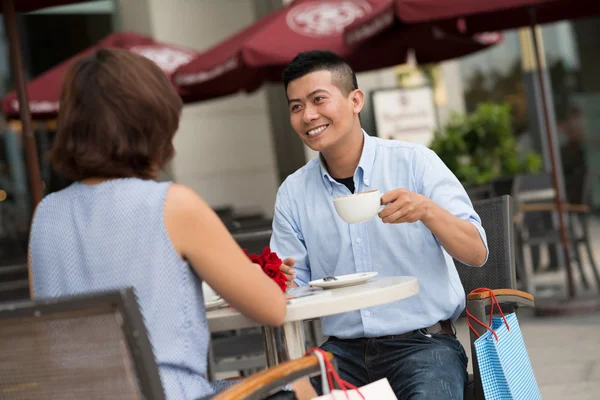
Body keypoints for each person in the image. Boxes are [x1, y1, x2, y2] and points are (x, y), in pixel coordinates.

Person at [27, 48, 292, 400]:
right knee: (303, 380)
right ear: (154, 121)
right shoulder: (172, 205)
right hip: (165, 394)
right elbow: (272, 309)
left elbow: (48, 329)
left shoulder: (45, 214)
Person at [270, 50, 489, 400]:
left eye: (318, 100)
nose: (308, 115)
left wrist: (427, 211)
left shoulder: (415, 162)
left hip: (424, 346)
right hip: (341, 354)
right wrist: (278, 276)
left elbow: (476, 252)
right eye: (296, 106)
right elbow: (290, 286)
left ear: (355, 99)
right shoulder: (293, 193)